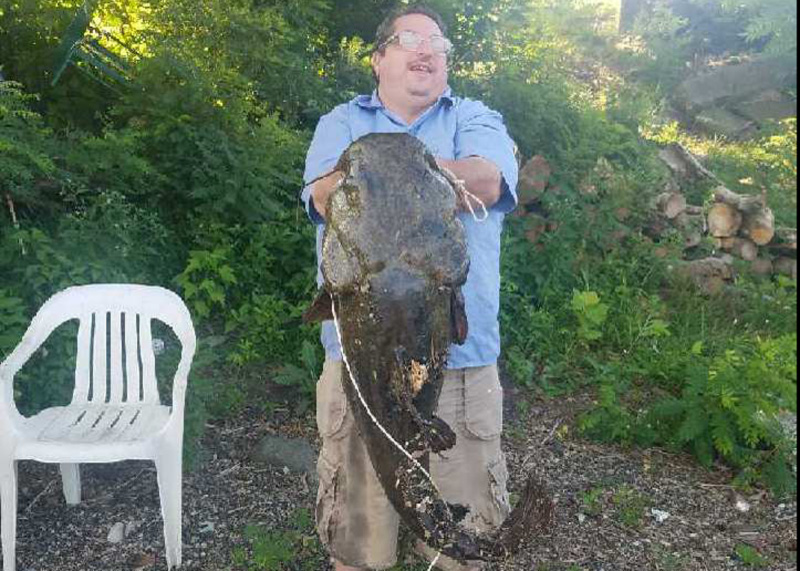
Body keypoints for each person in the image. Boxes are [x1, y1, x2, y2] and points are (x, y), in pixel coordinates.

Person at [301, 4, 519, 570]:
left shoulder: (474, 117)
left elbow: (489, 180)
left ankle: (460, 546)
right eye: (408, 38)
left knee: (460, 551)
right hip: (358, 364)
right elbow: (322, 195)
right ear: (378, 60)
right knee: (358, 541)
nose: (426, 49)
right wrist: (406, 175)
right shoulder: (342, 121)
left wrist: (394, 171)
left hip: (463, 361)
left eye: (438, 43)